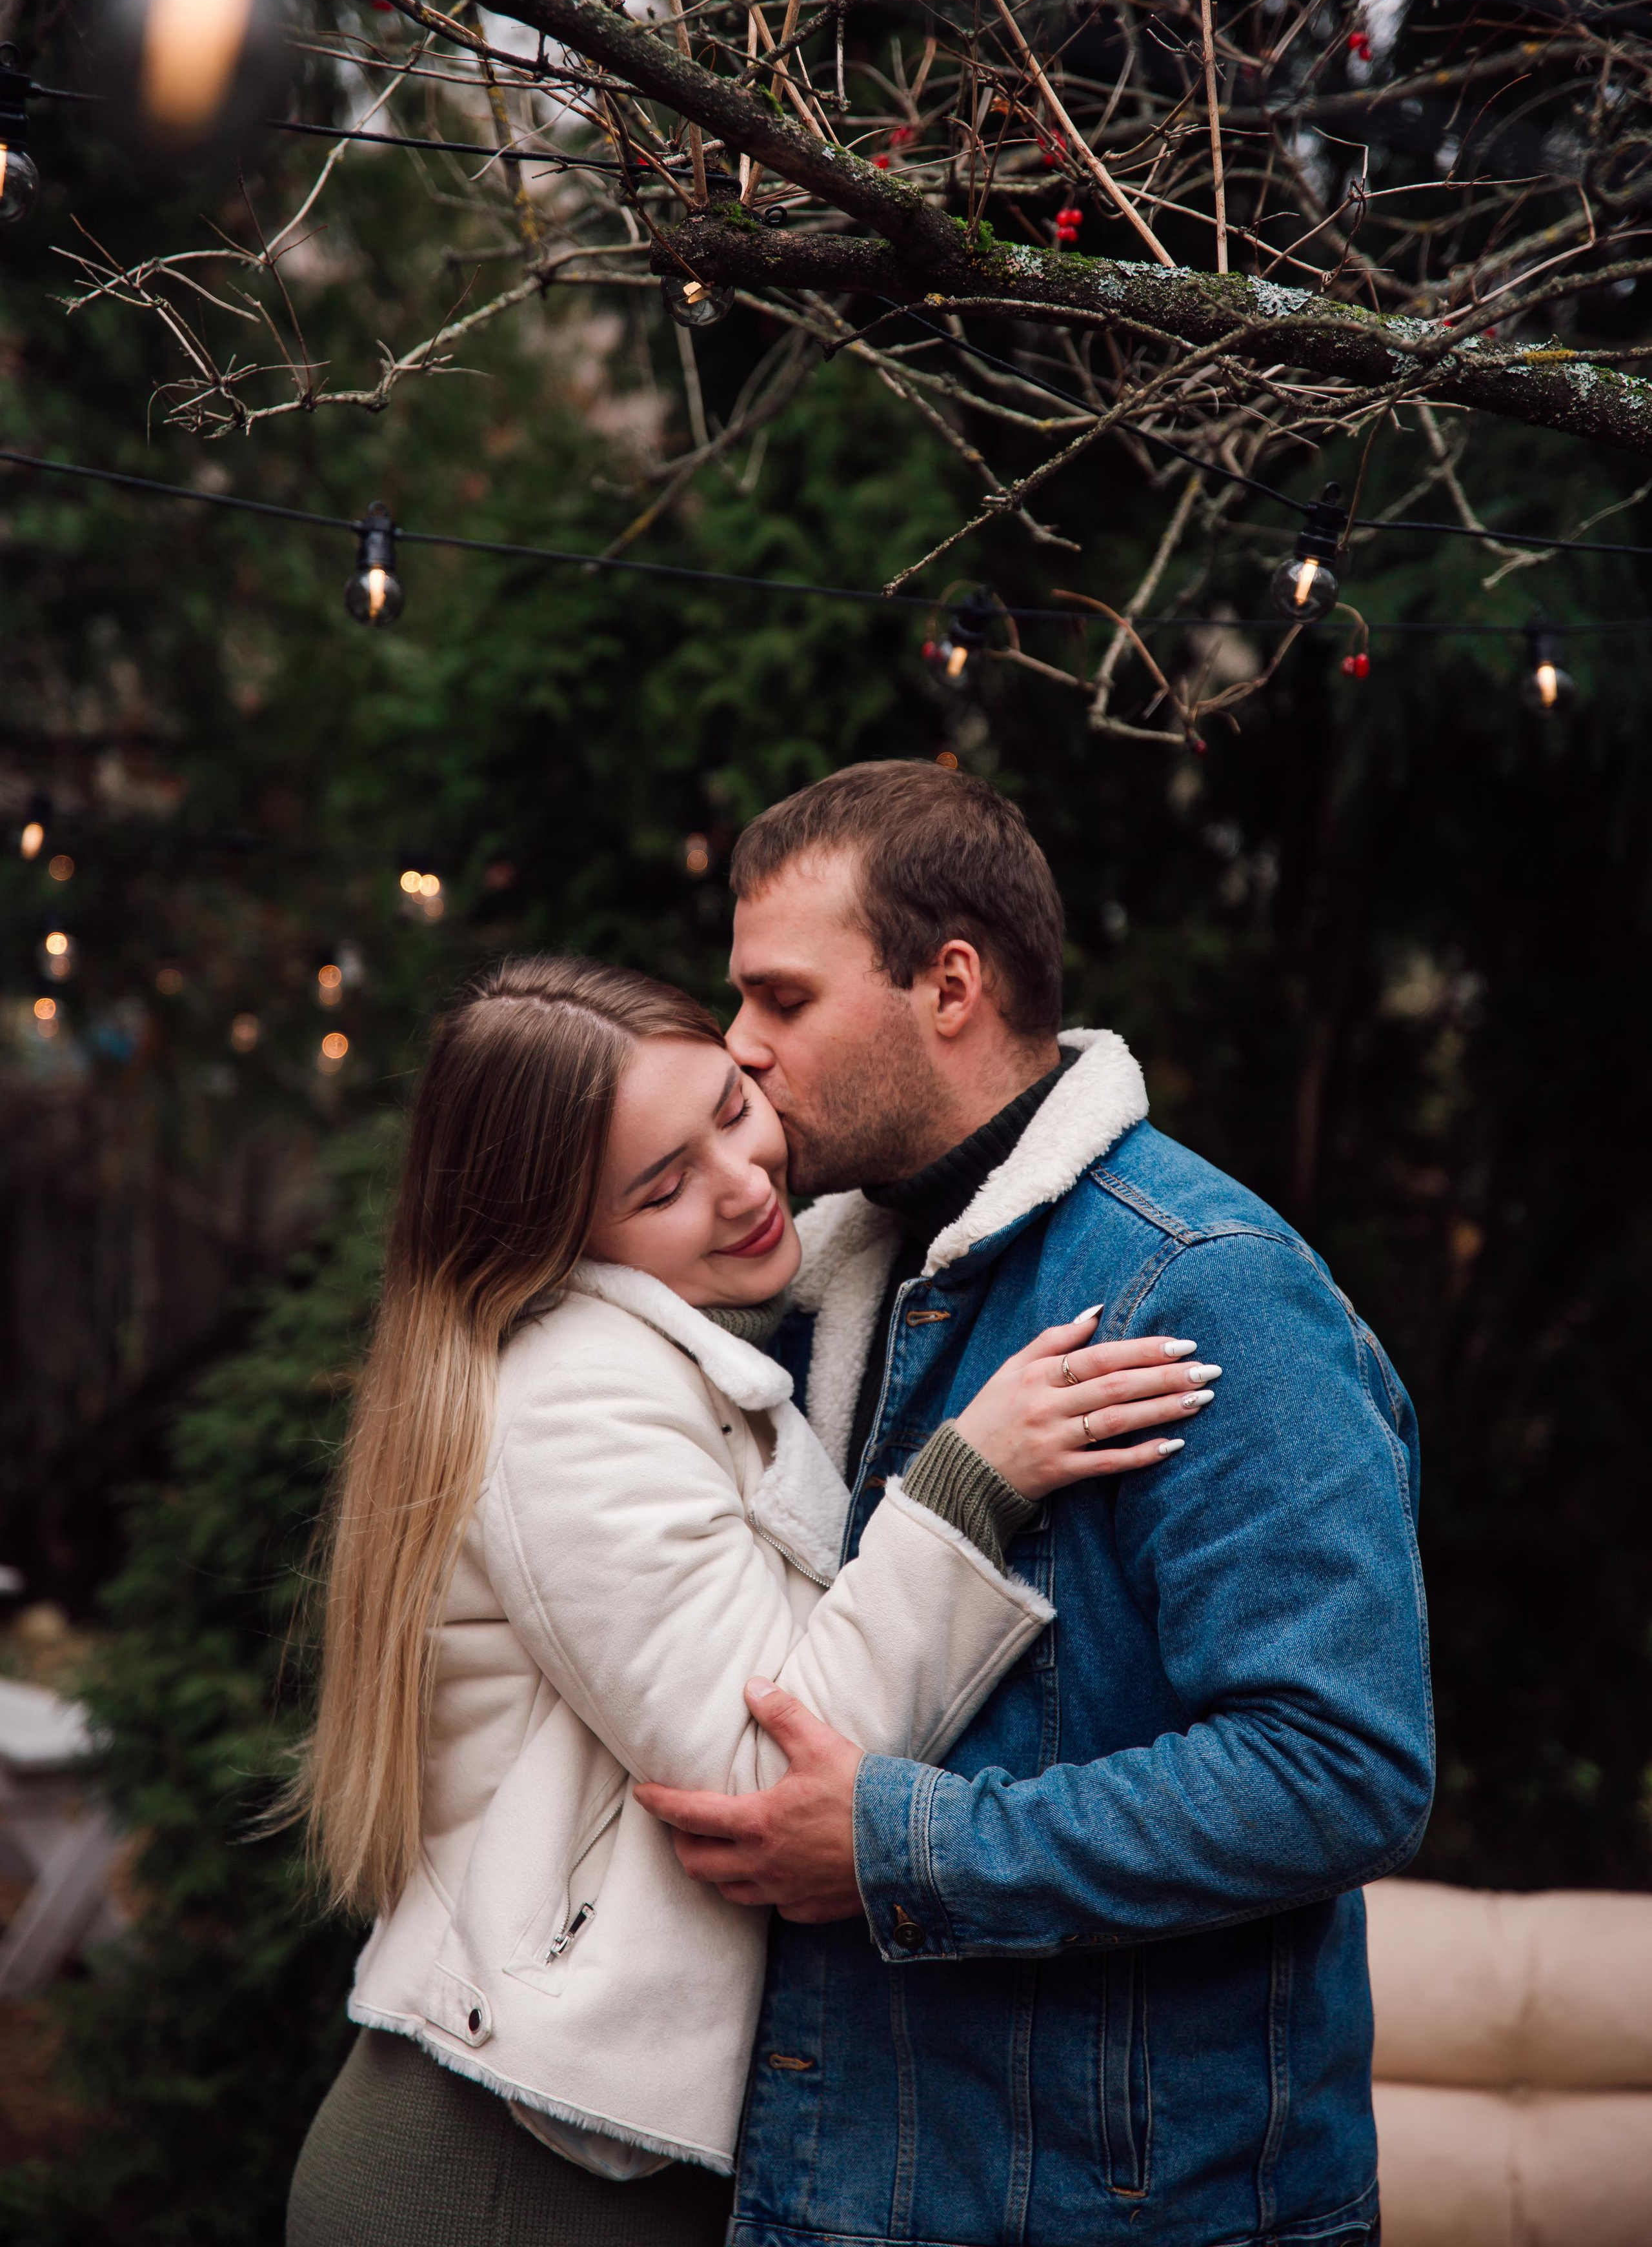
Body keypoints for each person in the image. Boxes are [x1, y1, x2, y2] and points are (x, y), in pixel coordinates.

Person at [285, 956, 1204, 2247]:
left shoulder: (688, 1337)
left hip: (589, 2143)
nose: (741, 1180)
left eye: (728, 1107)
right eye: (660, 1186)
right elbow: (761, 1769)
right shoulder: (572, 1402)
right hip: (514, 2168)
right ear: (559, 1239)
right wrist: (966, 1482)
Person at [637, 760, 1435, 2247]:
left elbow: (1338, 1765)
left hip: (1128, 2212)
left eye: (783, 1000)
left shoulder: (1203, 1287)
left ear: (949, 985)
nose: (738, 1051)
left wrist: (905, 1850)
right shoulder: (813, 1290)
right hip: (844, 2187)